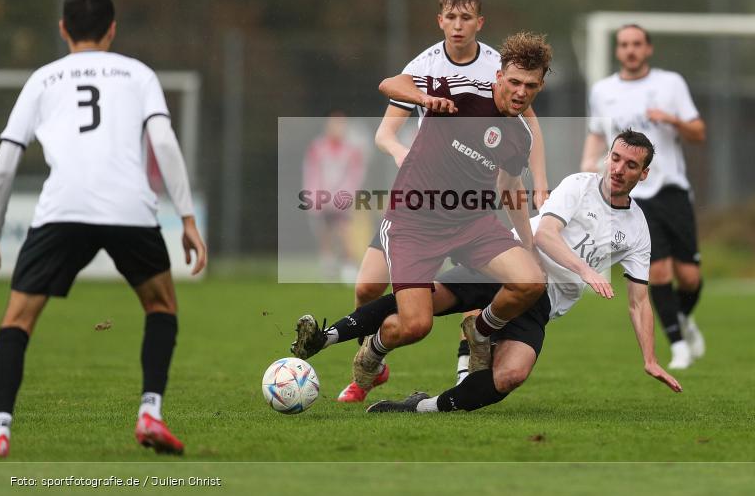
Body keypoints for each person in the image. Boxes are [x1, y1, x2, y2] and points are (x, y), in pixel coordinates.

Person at [291, 130, 682, 413]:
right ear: (607, 157)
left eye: (631, 165)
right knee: (421, 302)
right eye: (615, 158)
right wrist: (586, 271)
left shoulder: (637, 228)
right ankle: (325, 338)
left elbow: (639, 301)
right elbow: (545, 235)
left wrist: (649, 358)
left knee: (509, 377)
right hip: (508, 265)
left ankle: (419, 407)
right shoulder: (580, 186)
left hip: (541, 305)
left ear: (643, 174)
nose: (618, 169)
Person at [0, 0, 207, 457]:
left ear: (63, 29)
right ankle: (150, 411)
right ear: (112, 29)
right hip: (128, 209)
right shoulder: (138, 74)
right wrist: (187, 217)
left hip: (62, 208)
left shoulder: (43, 79)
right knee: (161, 307)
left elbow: (5, 164)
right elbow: (165, 143)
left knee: (17, 319)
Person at [293, 32, 553, 398]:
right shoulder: (459, 90)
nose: (521, 92)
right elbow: (390, 83)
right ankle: (373, 353)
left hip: (471, 223)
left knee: (530, 282)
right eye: (514, 82)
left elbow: (509, 189)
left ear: (539, 86)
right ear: (498, 76)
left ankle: (480, 329)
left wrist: (528, 245)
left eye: (530, 86)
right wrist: (424, 98)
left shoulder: (519, 136)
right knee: (415, 325)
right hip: (415, 221)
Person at [580, 24, 706, 371]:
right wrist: (585, 169)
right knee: (660, 272)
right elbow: (595, 134)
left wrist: (671, 119)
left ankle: (680, 319)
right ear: (618, 51)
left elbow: (699, 132)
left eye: (636, 44)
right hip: (638, 196)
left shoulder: (671, 84)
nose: (630, 50)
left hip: (671, 190)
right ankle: (678, 347)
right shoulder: (603, 90)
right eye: (624, 45)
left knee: (690, 277)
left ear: (647, 49)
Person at [302, 109, 366, 281]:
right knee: (325, 233)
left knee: (344, 231)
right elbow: (311, 172)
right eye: (334, 123)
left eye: (341, 124)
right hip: (321, 198)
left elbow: (355, 175)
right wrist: (314, 196)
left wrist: (346, 195)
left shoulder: (351, 150)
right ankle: (328, 266)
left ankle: (348, 266)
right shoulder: (317, 147)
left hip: (341, 199)